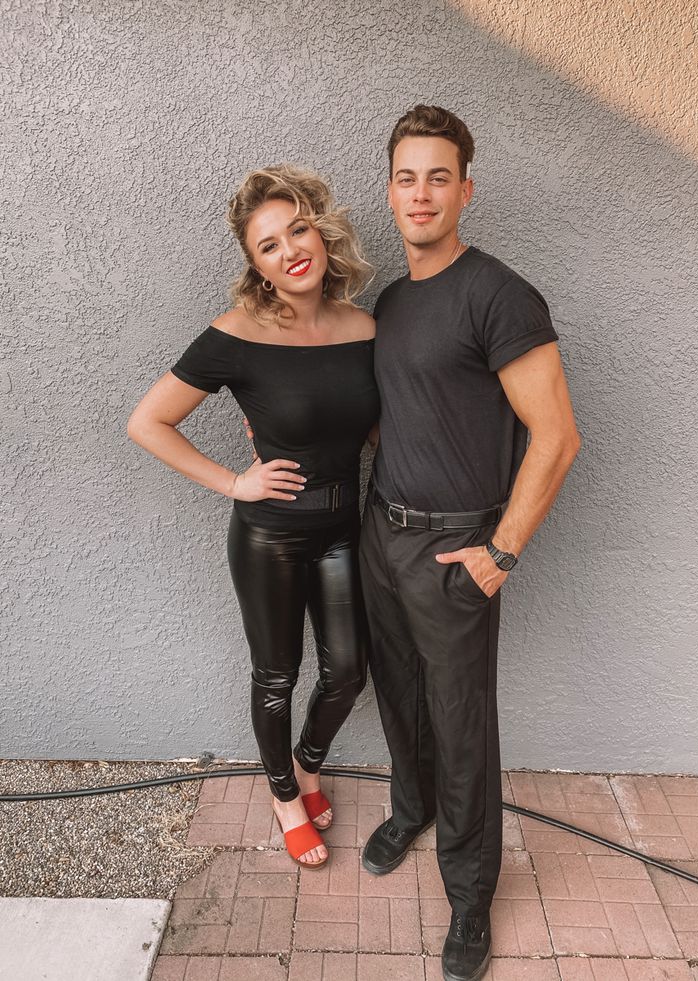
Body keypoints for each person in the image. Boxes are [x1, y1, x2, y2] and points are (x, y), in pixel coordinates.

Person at [358, 105, 581, 981]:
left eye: (438, 176)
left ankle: (468, 894)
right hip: (385, 531)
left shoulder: (498, 293)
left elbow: (557, 435)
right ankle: (408, 810)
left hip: (457, 551)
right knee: (399, 695)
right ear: (391, 189)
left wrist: (502, 551)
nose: (421, 193)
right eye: (407, 177)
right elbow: (403, 418)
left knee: (461, 726)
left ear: (465, 190)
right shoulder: (394, 299)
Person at [127, 165, 380, 870]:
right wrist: (235, 481)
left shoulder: (365, 326)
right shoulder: (235, 334)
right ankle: (284, 795)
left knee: (349, 670)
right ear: (257, 267)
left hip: (342, 529)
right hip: (269, 534)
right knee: (277, 675)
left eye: (298, 229)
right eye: (268, 245)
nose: (290, 250)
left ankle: (305, 764)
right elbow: (148, 422)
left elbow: (375, 428)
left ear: (322, 232)